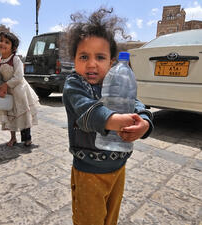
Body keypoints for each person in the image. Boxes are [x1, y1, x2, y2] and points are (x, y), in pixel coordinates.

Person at [62, 8, 154, 225]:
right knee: (89, 220)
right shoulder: (74, 85)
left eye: (100, 57)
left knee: (110, 218)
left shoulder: (117, 81)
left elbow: (136, 104)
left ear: (112, 62)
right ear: (74, 59)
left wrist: (144, 123)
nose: (92, 64)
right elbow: (87, 113)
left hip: (118, 167)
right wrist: (114, 120)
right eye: (84, 56)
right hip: (88, 171)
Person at [0, 31, 39, 147]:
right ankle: (13, 138)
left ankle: (27, 138)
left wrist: (6, 84)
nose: (3, 44)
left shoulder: (15, 59)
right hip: (8, 92)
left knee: (23, 113)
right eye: (1, 41)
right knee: (10, 115)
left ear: (13, 47)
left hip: (20, 91)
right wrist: (0, 86)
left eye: (7, 42)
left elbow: (19, 76)